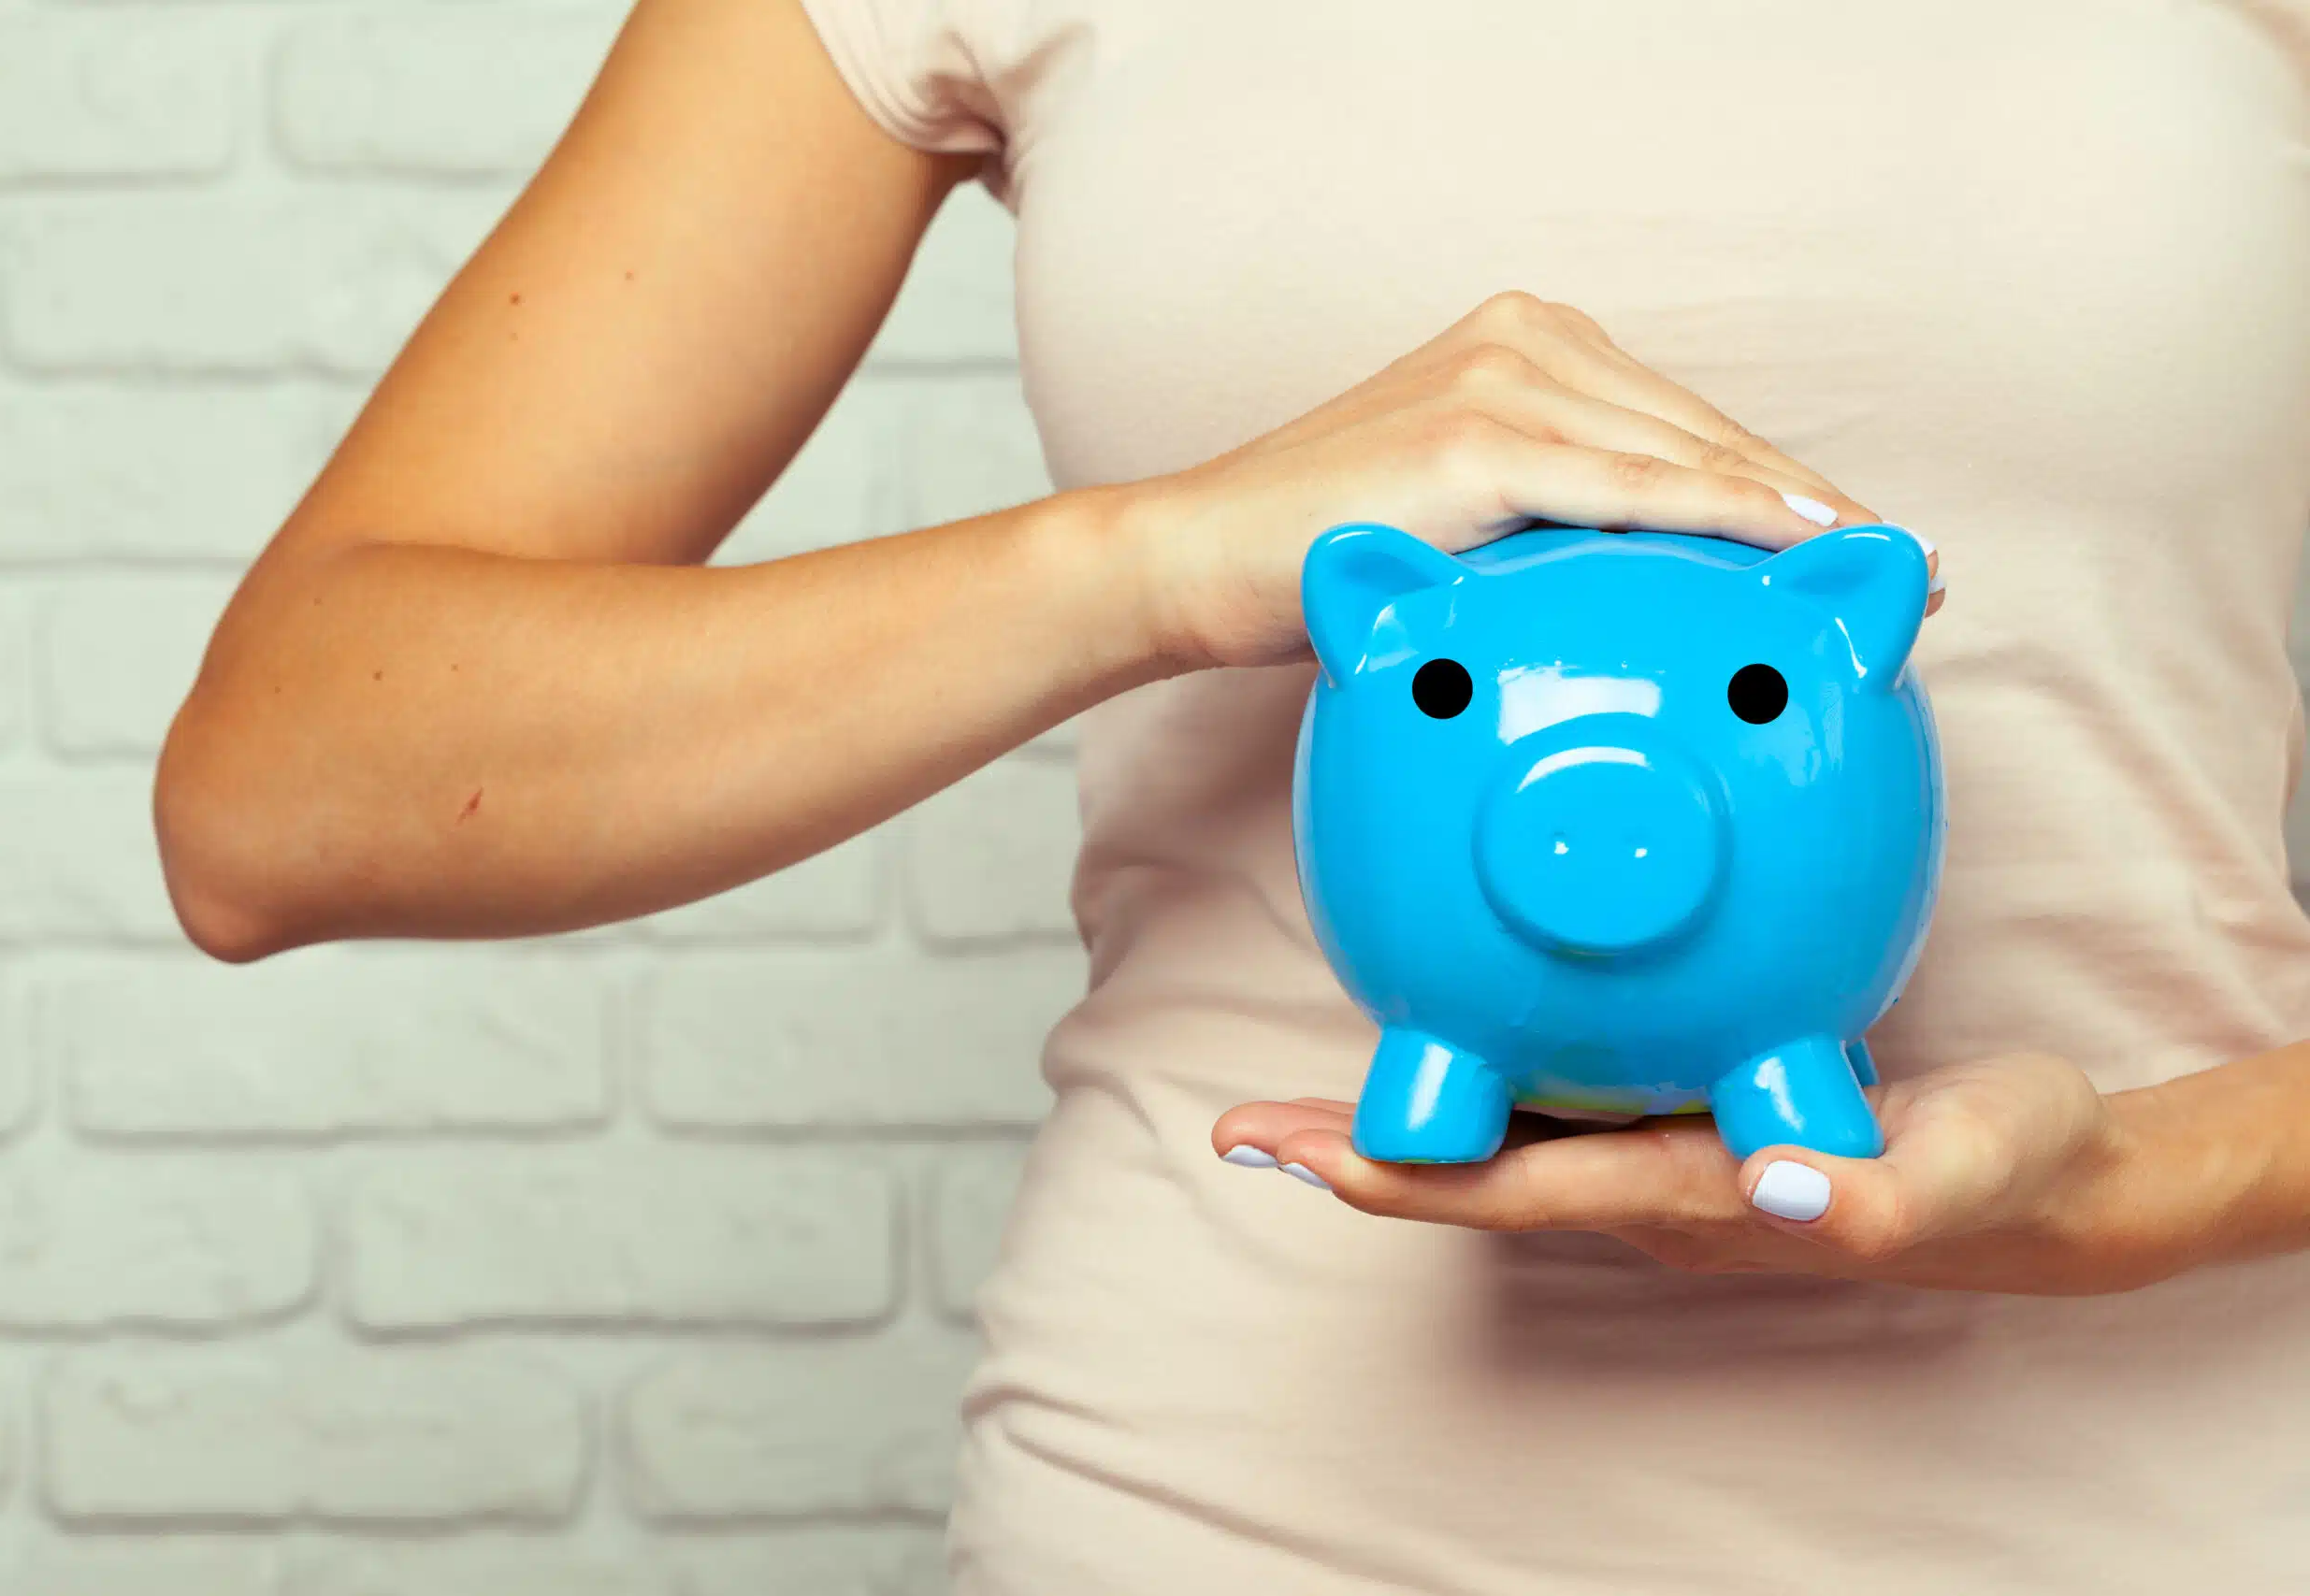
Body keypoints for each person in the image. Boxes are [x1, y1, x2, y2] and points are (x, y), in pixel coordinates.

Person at [153, 0, 2310, 1587]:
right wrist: (1160, 557)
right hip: (1230, 1510)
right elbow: (291, 786)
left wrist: (2144, 1180)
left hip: (2165, 1512)